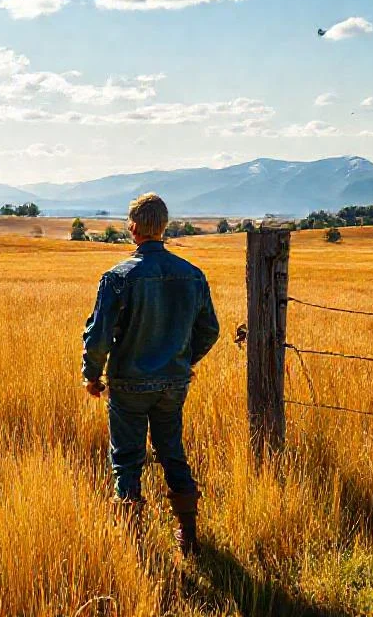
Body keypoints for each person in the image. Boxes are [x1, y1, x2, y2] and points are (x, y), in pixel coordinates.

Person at [81, 193, 220, 556]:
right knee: (172, 450)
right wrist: (185, 361)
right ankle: (188, 537)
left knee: (127, 458)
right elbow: (211, 329)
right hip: (174, 383)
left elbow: (98, 337)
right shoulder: (192, 274)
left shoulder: (117, 277)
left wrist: (92, 375)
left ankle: (133, 544)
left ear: (132, 228)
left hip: (128, 384)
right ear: (163, 227)